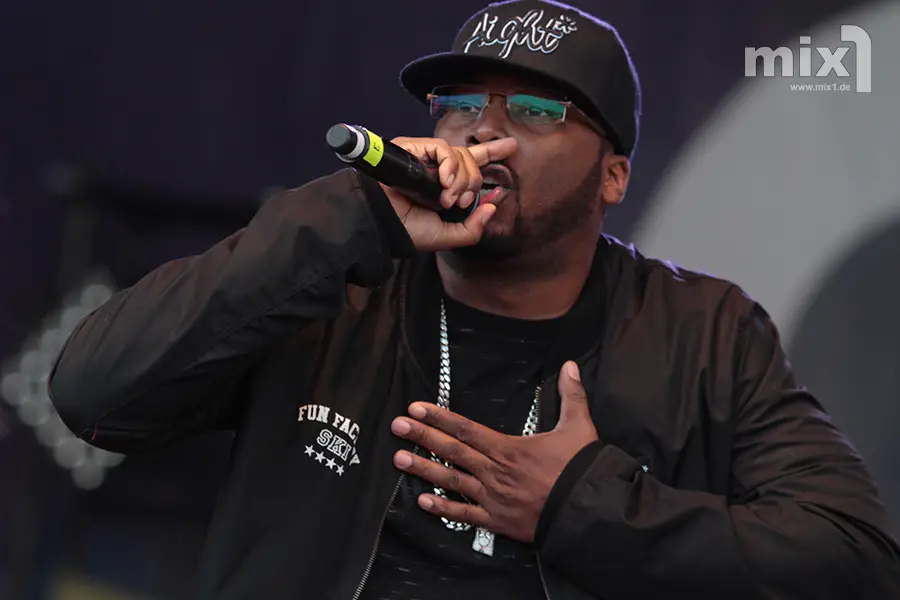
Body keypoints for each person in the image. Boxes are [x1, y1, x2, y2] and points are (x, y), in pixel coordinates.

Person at [48, 1, 900, 598]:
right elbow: (92, 394)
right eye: (456, 105)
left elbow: (854, 560)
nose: (481, 131)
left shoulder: (705, 332)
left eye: (533, 110)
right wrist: (346, 217)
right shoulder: (333, 278)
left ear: (613, 176)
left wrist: (583, 503)